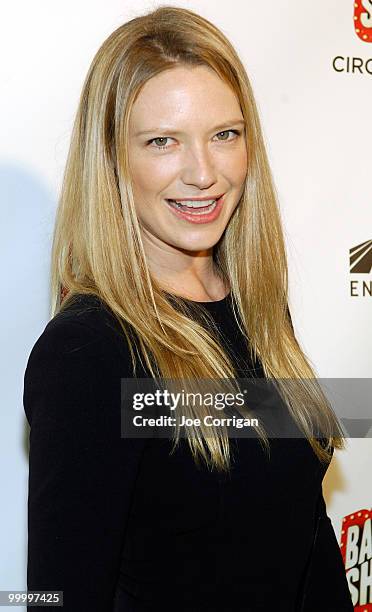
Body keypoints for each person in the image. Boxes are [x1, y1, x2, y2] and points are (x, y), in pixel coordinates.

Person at [23, 5, 354, 611]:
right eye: (163, 141)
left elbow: (305, 543)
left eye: (225, 134)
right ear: (112, 160)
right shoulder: (89, 353)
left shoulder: (256, 309)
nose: (204, 172)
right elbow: (59, 597)